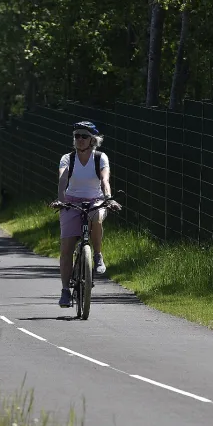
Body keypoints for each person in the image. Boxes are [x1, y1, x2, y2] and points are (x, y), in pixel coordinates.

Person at [50, 121, 121, 308]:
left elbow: (105, 180)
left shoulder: (100, 157)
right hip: (71, 201)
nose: (79, 140)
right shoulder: (68, 159)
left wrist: (109, 199)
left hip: (96, 200)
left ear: (93, 140)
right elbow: (62, 180)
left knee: (96, 217)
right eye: (76, 136)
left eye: (84, 136)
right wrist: (60, 200)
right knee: (66, 249)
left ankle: (97, 255)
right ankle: (65, 291)